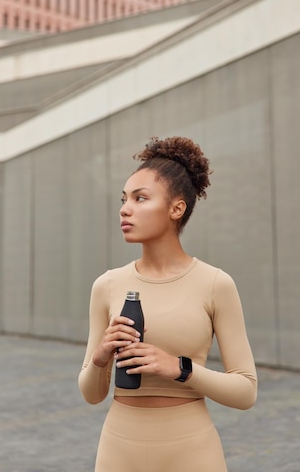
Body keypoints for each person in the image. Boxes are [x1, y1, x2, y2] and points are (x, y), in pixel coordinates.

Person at [78, 136, 257, 472]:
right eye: (124, 199)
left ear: (177, 208)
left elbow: (246, 392)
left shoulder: (216, 284)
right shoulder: (107, 285)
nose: (124, 208)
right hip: (119, 449)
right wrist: (101, 356)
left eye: (140, 198)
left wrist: (179, 368)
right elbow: (91, 394)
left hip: (192, 450)